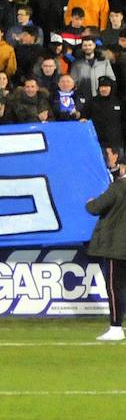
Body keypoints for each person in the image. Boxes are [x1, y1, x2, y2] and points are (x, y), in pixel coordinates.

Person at [86, 146, 126, 341]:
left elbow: (94, 207)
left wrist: (90, 201)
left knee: (113, 286)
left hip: (115, 246)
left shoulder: (118, 187)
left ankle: (116, 327)